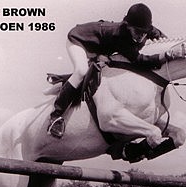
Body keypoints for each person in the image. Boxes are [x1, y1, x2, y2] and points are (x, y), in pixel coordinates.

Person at [47, 3, 175, 138]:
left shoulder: (146, 30)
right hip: (79, 39)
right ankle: (55, 117)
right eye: (137, 32)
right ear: (128, 26)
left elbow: (163, 40)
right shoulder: (120, 36)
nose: (140, 37)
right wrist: (164, 56)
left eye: (143, 33)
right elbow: (139, 60)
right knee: (81, 71)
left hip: (100, 46)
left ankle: (64, 80)